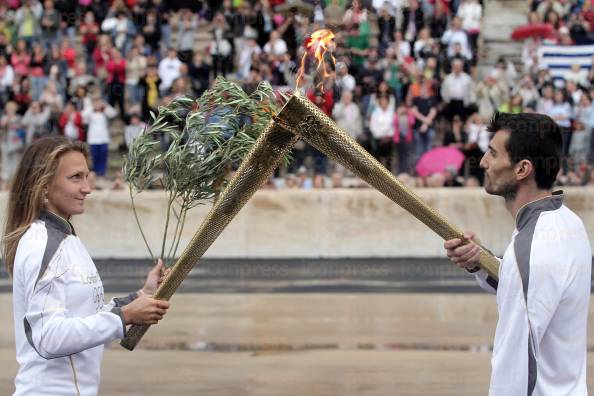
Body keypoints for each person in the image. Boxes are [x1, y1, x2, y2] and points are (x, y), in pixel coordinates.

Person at [3, 136, 171, 395]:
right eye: (75, 178)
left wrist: (142, 296)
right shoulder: (42, 244)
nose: (87, 188)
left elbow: (84, 315)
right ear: (44, 185)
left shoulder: (66, 238)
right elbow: (48, 337)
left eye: (86, 176)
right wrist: (125, 316)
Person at [444, 112, 591, 395]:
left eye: (492, 153)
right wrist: (480, 261)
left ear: (522, 169)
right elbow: (529, 285)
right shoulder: (566, 221)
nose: (483, 162)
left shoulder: (533, 248)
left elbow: (514, 371)